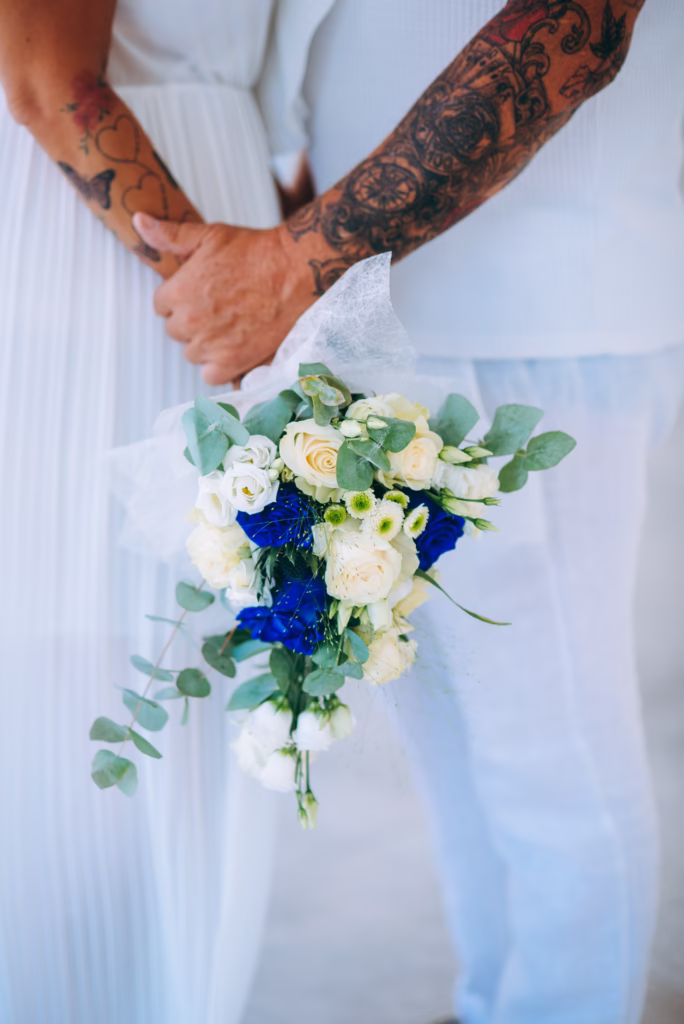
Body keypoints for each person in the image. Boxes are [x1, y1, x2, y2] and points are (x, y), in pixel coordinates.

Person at [135, 1, 684, 1021]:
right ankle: (498, 1000)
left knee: (550, 747)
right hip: (383, 312)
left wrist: (296, 256)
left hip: (541, 308)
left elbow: (581, 20)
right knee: (454, 738)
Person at [0, 1, 310, 1021]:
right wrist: (235, 299)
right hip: (112, 257)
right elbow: (49, 78)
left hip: (223, 220)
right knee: (92, 665)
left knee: (203, 675)